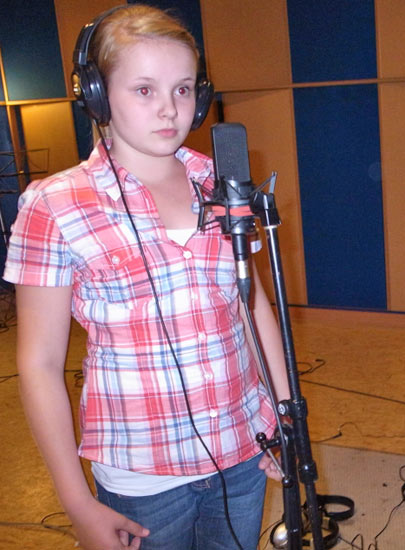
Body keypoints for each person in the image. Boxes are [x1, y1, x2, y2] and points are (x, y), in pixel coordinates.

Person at [3, 5, 290, 550]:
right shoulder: (54, 204)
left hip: (243, 451)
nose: (169, 109)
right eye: (143, 90)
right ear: (96, 95)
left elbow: (252, 306)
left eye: (182, 89)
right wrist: (77, 502)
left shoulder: (223, 183)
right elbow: (38, 364)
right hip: (141, 476)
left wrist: (282, 417)